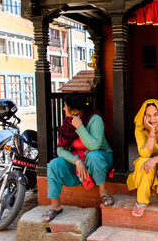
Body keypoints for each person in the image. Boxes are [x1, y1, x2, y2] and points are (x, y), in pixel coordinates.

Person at [42, 92, 114, 222]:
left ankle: (103, 192)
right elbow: (60, 150)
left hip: (100, 157)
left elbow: (94, 146)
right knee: (54, 164)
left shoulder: (95, 119)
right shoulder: (68, 123)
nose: (63, 109)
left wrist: (80, 127)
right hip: (79, 160)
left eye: (65, 106)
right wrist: (77, 161)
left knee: (93, 156)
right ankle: (55, 205)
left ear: (75, 111)